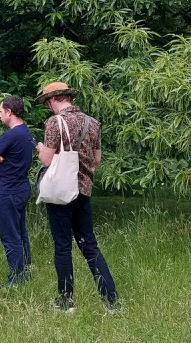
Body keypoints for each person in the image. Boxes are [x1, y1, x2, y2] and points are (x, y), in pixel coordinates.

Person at [35, 82, 118, 313]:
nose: (47, 107)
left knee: (62, 246)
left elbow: (47, 160)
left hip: (61, 192)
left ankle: (65, 301)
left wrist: (41, 148)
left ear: (54, 99)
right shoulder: (93, 123)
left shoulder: (55, 122)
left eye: (46, 102)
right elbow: (97, 160)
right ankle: (111, 301)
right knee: (89, 245)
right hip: (83, 190)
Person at [0, 96, 33, 286]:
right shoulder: (26, 132)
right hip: (21, 187)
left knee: (10, 235)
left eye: (0, 111)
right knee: (21, 231)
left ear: (9, 112)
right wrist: (0, 157)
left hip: (8, 190)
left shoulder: (11, 135)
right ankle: (25, 269)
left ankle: (16, 277)